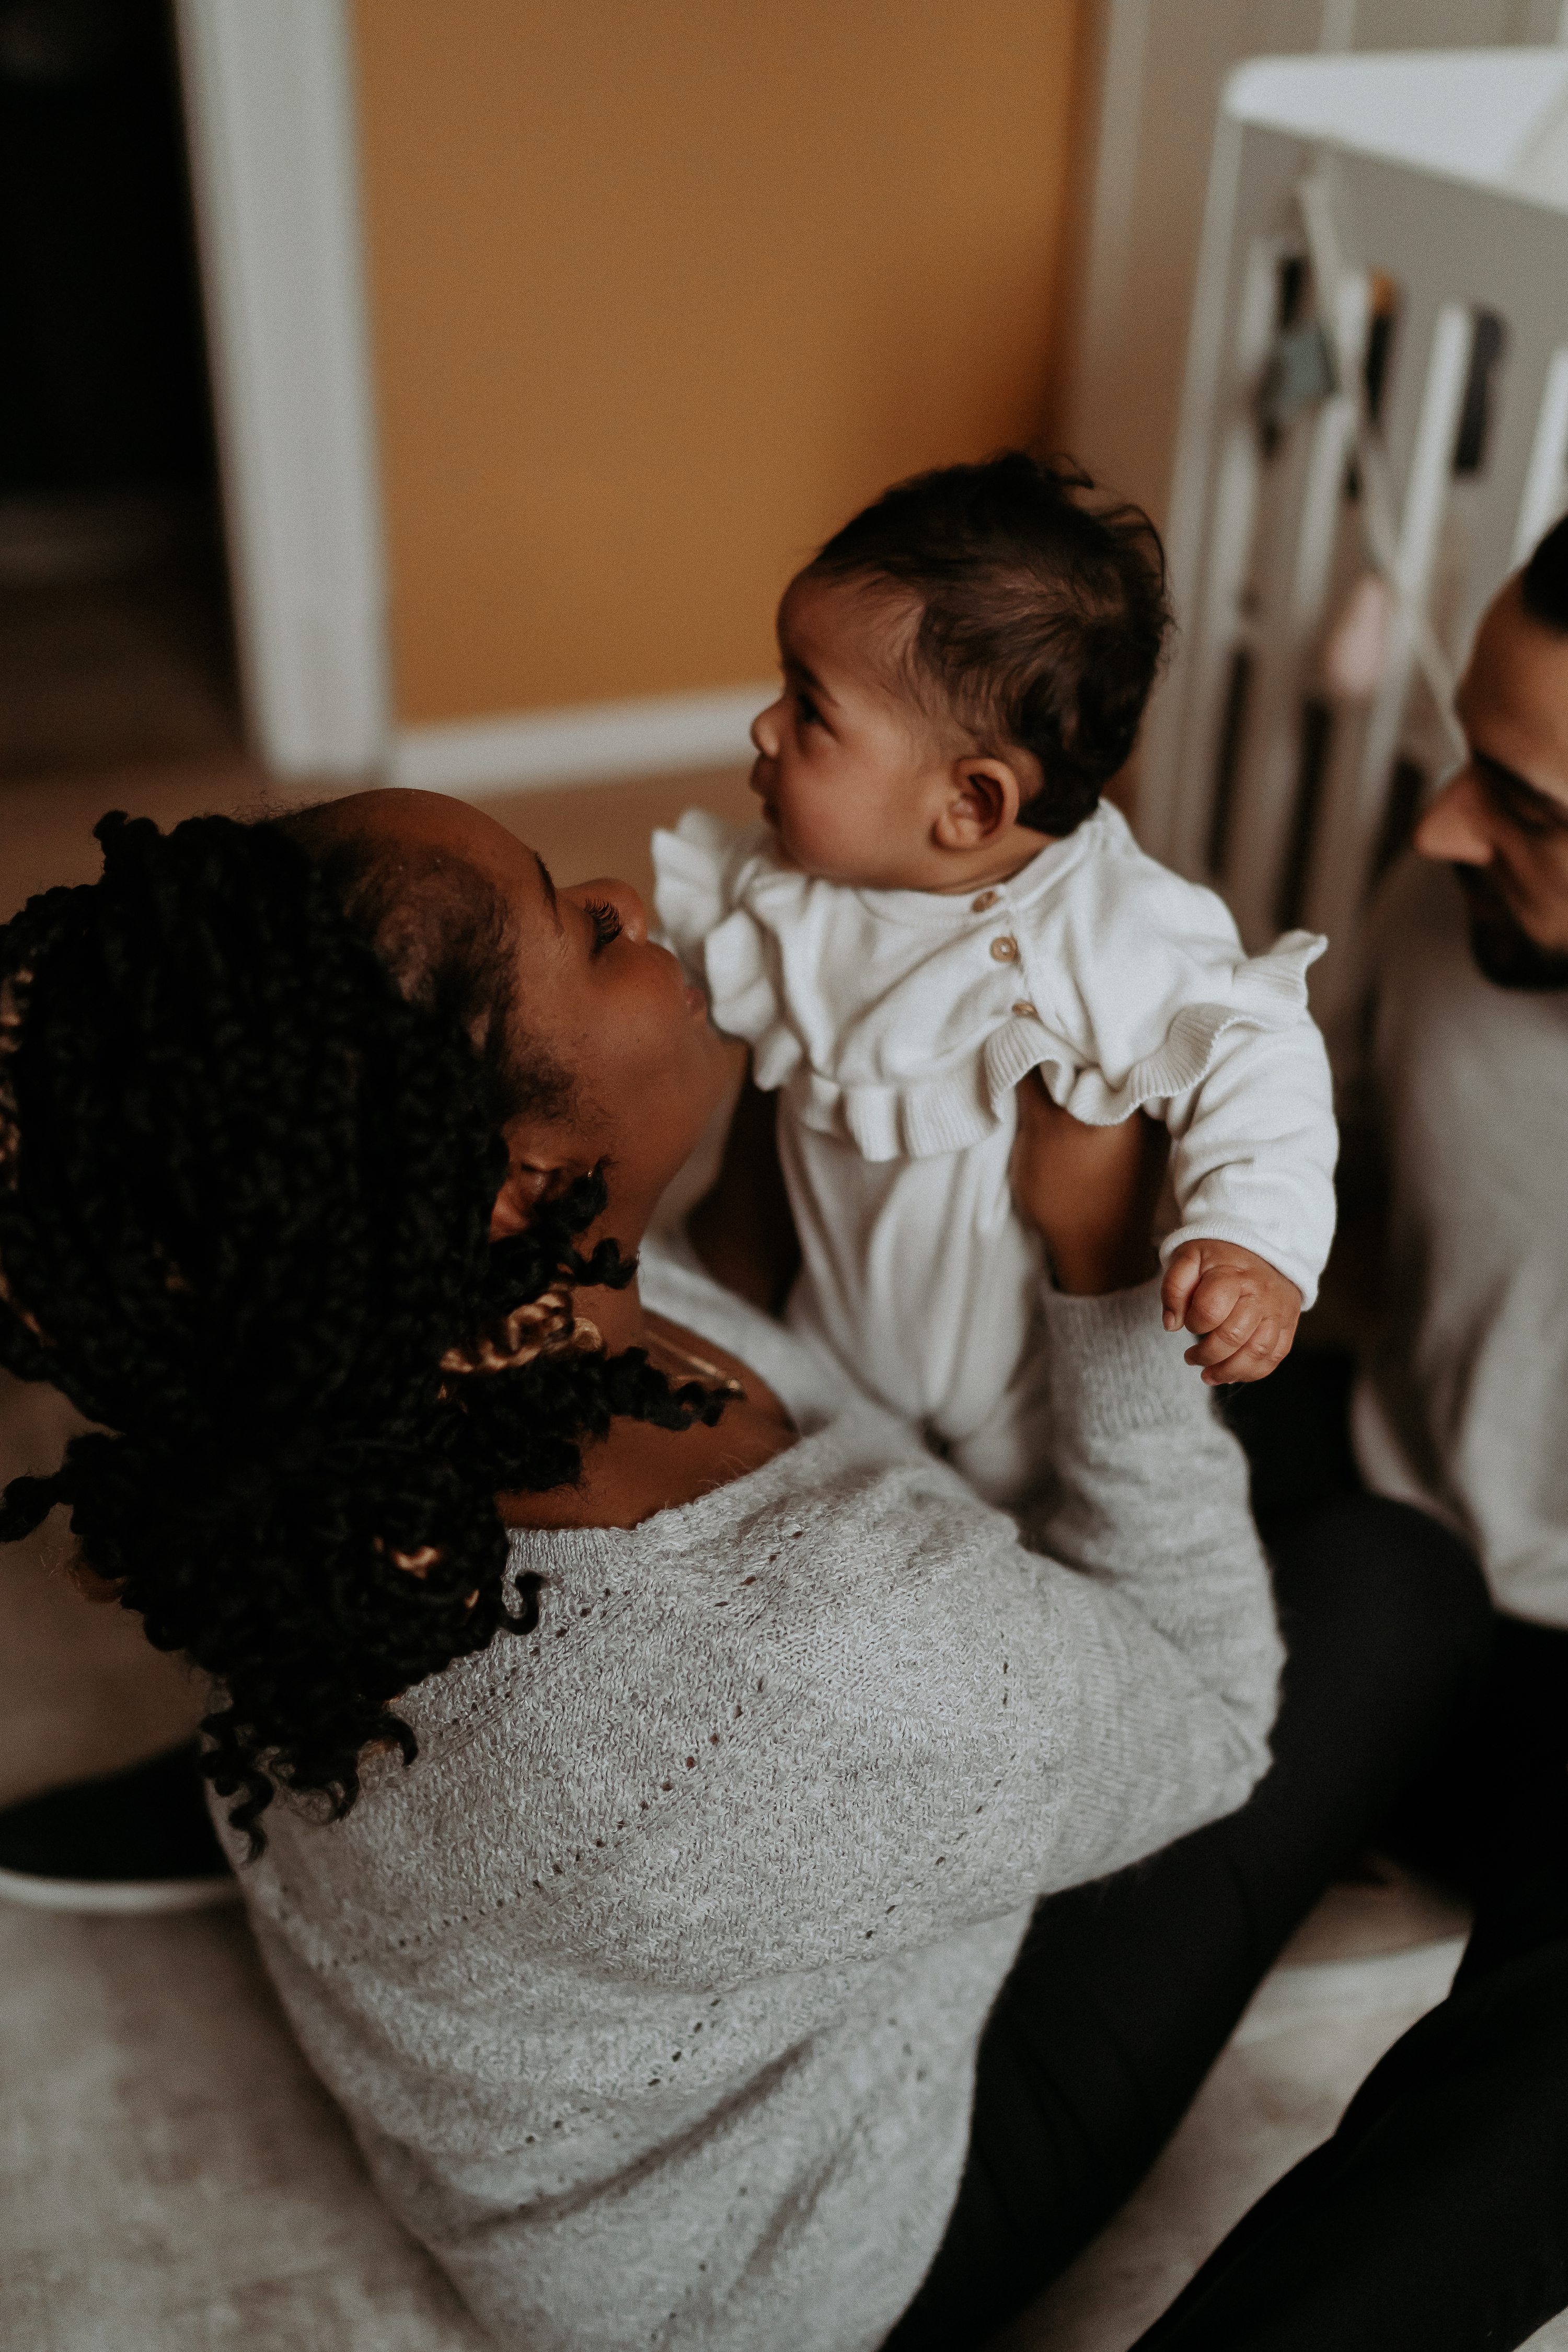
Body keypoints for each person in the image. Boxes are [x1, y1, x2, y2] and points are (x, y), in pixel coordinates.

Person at [0, 788, 1483, 2350]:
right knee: (1394, 1573)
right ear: (517, 1178)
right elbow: (1209, 1716)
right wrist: (1102, 1267)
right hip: (781, 2273)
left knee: (1247, 1456)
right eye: (574, 927)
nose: (616, 892)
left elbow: (764, 1324)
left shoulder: (277, 1400)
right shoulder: (806, 1641)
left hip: (548, 2068)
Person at [653, 453, 1336, 1508]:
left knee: (1037, 1562)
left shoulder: (1119, 923)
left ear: (970, 804)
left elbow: (1262, 1049)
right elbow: (649, 971)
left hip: (1032, 1414)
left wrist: (1251, 1238)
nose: (764, 727)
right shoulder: (788, 891)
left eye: (809, 707)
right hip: (834, 1362)